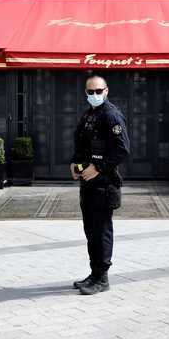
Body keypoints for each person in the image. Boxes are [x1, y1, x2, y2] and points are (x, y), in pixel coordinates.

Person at [70, 74, 130, 295]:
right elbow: (81, 144)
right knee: (91, 230)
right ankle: (94, 273)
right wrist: (74, 164)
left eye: (98, 91)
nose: (94, 95)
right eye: (90, 92)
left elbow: (122, 150)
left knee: (101, 230)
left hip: (104, 183)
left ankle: (102, 278)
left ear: (106, 91)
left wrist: (98, 167)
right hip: (87, 182)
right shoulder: (89, 115)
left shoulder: (111, 115)